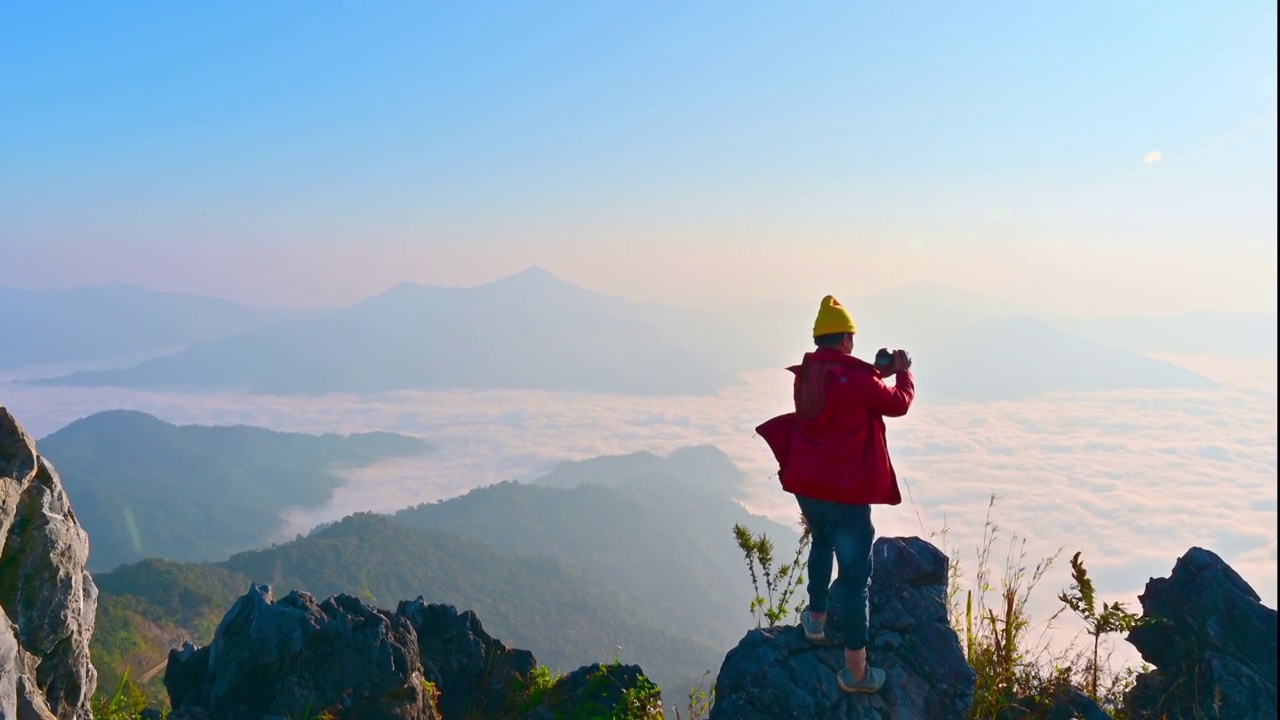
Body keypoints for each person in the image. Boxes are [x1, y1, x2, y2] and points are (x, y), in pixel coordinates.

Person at [755, 294, 914, 694]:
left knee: (821, 541)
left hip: (807, 486)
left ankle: (816, 620)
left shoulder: (807, 375)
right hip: (845, 492)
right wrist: (902, 373)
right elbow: (896, 405)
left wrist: (874, 373)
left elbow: (841, 391)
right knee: (856, 577)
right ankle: (855, 672)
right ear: (846, 340)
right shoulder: (860, 380)